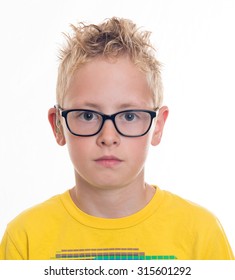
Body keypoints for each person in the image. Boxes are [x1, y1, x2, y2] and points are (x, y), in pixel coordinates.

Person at [0, 17, 234, 260]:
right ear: (58, 125)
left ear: (158, 126)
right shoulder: (24, 239)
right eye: (88, 115)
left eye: (130, 116)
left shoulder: (202, 236)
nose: (108, 137)